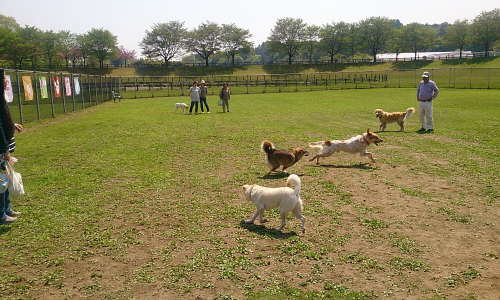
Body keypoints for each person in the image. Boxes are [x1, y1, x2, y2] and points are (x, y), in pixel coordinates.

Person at [0, 69, 23, 224]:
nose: (6, 80)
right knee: (1, 181)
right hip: (2, 147)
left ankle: (7, 209)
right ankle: (1, 215)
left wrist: (12, 124)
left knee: (6, 178)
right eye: (3, 77)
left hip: (5, 144)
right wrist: (5, 150)